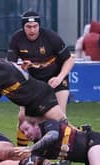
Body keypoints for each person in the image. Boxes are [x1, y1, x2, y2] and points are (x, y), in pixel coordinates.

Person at [7, 10, 75, 146]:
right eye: (28, 27)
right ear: (23, 27)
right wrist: (21, 71)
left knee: (60, 119)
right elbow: (11, 66)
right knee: (23, 117)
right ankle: (22, 154)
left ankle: (67, 151)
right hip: (34, 83)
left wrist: (59, 77)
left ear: (39, 26)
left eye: (35, 26)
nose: (32, 30)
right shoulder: (16, 39)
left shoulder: (50, 37)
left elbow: (69, 60)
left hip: (57, 80)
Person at [17, 119, 100, 165]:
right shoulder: (38, 149)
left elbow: (53, 136)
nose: (26, 134)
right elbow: (33, 162)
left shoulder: (49, 124)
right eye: (23, 132)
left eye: (27, 129)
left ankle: (80, 129)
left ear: (36, 125)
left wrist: (30, 148)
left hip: (92, 141)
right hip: (86, 158)